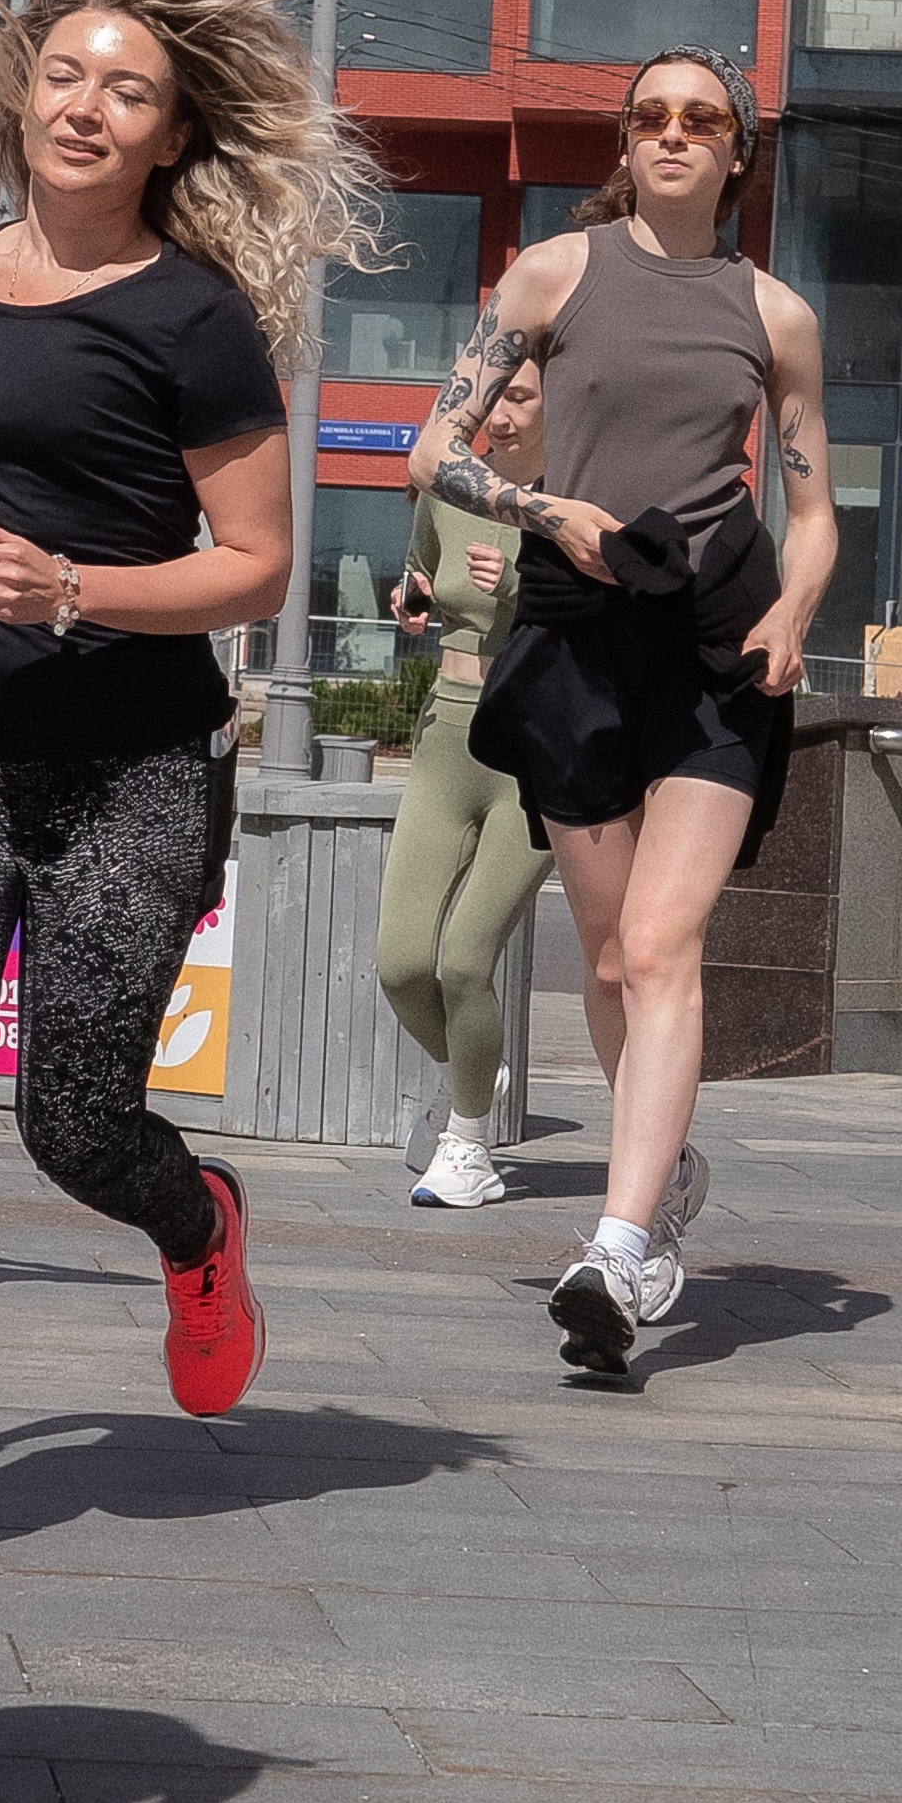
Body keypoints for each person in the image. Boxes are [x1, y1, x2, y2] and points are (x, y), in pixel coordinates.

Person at [0, 0, 384, 1588]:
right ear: (21, 93)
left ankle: (198, 1229)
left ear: (168, 130)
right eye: (65, 73)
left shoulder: (189, 320)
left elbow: (259, 565)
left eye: (124, 89)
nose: (84, 104)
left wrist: (75, 594)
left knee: (73, 1121)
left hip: (136, 773)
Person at [408, 51, 837, 1377]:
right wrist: (549, 512)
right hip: (578, 630)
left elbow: (814, 509)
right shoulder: (554, 273)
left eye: (699, 119)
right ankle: (662, 1171)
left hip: (714, 636)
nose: (670, 134)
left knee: (661, 943)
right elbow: (434, 450)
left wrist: (792, 614)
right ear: (627, 140)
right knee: (605, 960)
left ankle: (619, 1244)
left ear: (735, 152)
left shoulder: (776, 315)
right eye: (649, 116)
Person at [379, 365, 552, 1210]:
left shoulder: (572, 505)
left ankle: (469, 1144)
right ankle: (475, 1070)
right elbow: (422, 579)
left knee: (464, 961)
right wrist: (411, 599)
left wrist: (518, 587)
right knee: (403, 963)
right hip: (447, 734)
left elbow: (612, 611)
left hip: (534, 748)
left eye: (520, 400)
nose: (500, 417)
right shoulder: (447, 492)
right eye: (494, 401)